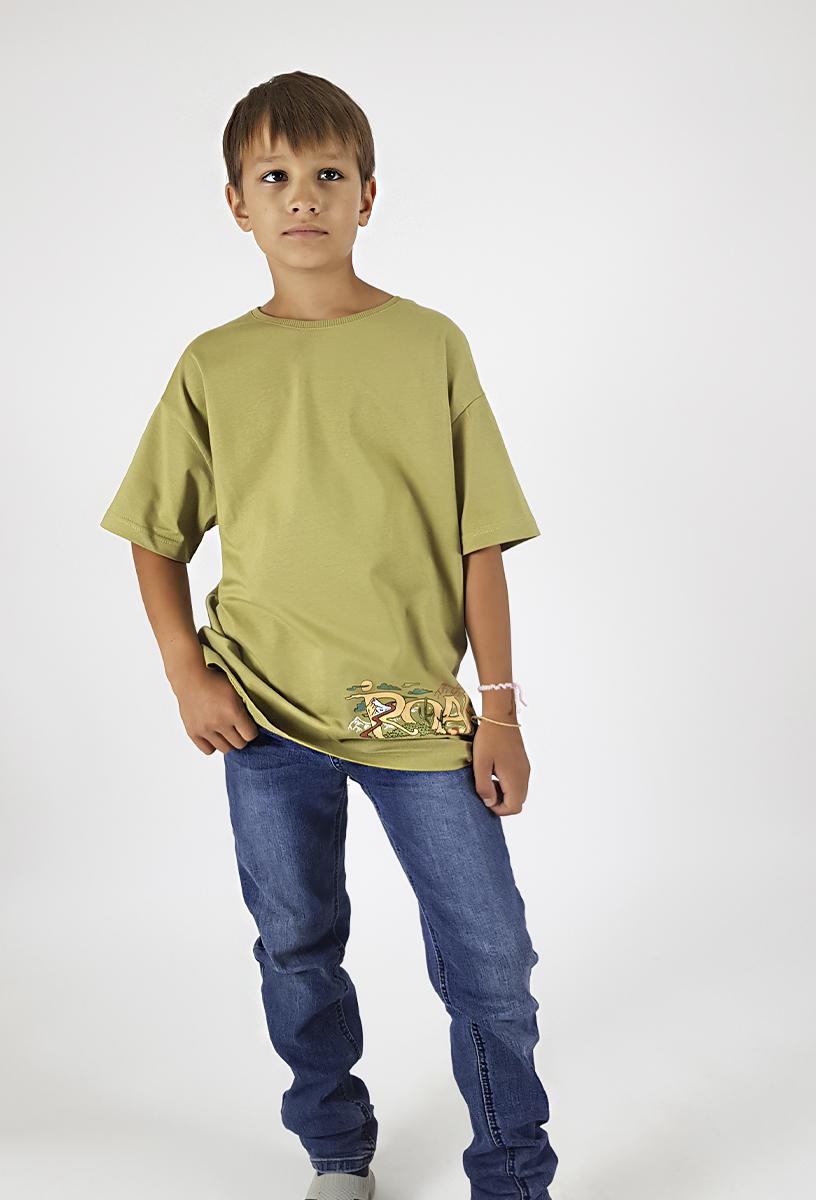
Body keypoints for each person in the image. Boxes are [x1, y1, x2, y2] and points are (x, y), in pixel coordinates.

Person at [99, 69, 558, 1200]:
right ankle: (337, 1152)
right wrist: (186, 673)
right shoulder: (214, 365)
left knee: (492, 959)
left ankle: (512, 1175)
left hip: (413, 714)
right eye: (274, 177)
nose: (301, 196)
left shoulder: (429, 345)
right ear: (237, 204)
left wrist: (501, 712)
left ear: (367, 195)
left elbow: (481, 544)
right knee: (297, 943)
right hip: (263, 716)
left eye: (327, 174)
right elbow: (154, 535)